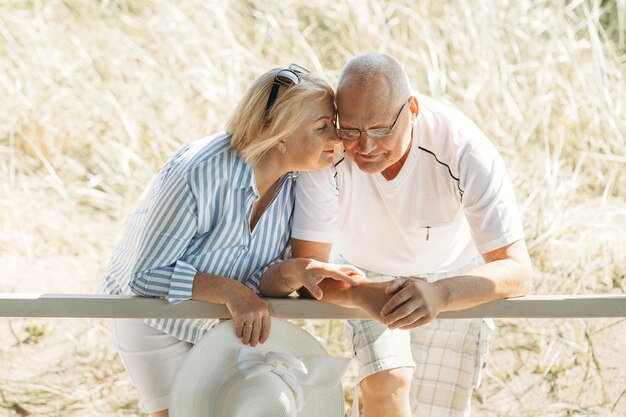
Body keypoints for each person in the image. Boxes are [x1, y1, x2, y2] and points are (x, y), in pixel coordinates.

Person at [259, 53, 533, 417]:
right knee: (387, 381)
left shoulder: (464, 149)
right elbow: (312, 270)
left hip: (454, 275)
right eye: (351, 129)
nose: (365, 146)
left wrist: (442, 292)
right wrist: (360, 292)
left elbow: (517, 270)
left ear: (413, 110)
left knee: (442, 409)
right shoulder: (327, 152)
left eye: (380, 129)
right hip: (361, 274)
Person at [100, 65, 365, 417]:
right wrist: (230, 292)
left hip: (221, 323)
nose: (336, 139)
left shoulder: (299, 181)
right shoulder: (199, 171)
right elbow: (145, 274)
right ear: (279, 134)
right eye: (321, 128)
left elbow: (260, 278)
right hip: (152, 316)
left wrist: (296, 272)